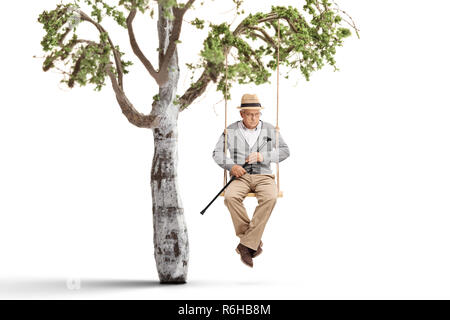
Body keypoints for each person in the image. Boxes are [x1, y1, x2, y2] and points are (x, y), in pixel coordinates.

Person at [212, 93, 290, 268]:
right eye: (249, 114)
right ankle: (251, 241)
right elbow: (217, 153)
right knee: (230, 198)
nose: (254, 118)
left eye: (257, 114)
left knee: (271, 197)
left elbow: (285, 151)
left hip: (264, 176)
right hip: (241, 176)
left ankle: (245, 244)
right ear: (242, 114)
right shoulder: (230, 130)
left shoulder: (271, 129)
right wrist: (231, 166)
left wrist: (264, 156)